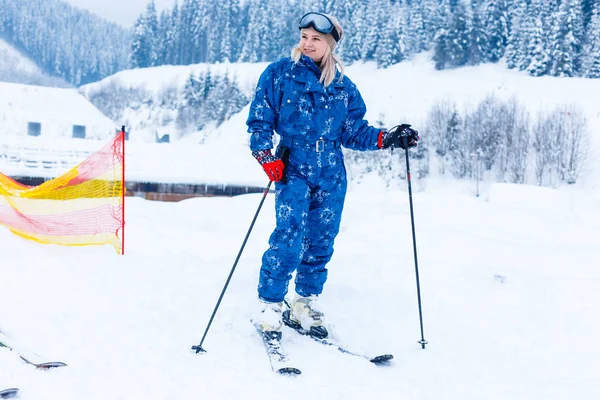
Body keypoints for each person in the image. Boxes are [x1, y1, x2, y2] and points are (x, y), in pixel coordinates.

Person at [246, 12, 419, 337]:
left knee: (321, 240)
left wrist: (389, 137)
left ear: (330, 44)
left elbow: (355, 133)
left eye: (316, 39)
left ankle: (303, 304)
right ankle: (270, 306)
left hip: (331, 172)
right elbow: (259, 120)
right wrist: (265, 156)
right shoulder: (280, 74)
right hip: (293, 166)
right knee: (289, 238)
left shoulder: (343, 86)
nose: (308, 44)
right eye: (304, 37)